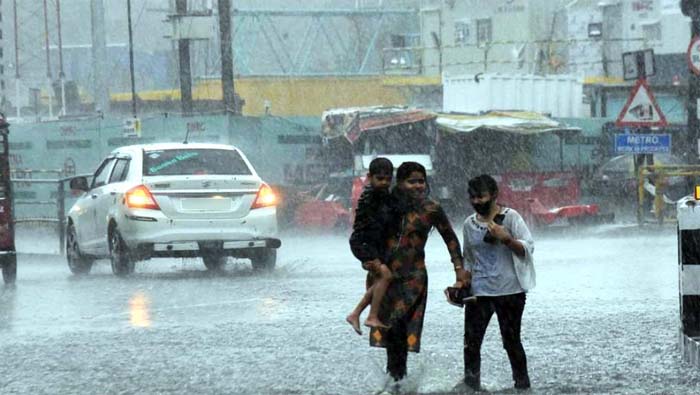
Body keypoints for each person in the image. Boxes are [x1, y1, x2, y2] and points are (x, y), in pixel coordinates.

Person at [370, 161, 469, 392]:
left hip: (414, 279)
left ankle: (397, 381)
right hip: (385, 277)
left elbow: (451, 239)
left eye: (421, 181)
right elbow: (364, 232)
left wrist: (459, 270)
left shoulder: (431, 208)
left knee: (399, 327)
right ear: (400, 183)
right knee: (391, 331)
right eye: (411, 181)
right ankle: (396, 379)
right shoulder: (387, 204)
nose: (417, 186)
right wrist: (367, 258)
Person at [461, 174, 536, 391]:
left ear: (494, 195)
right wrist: (461, 282)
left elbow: (528, 249)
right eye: (472, 197)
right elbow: (468, 257)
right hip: (479, 292)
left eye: (481, 197)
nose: (477, 202)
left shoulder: (511, 218)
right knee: (471, 344)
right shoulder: (469, 223)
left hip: (510, 291)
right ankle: (471, 386)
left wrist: (506, 239)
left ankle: (522, 386)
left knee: (511, 341)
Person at [346, 157, 395, 334]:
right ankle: (371, 316)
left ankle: (356, 313)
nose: (384, 183)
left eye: (388, 179)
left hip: (368, 244)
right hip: (363, 243)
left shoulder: (382, 196)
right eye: (379, 179)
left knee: (381, 279)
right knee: (386, 275)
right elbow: (372, 229)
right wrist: (370, 256)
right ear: (369, 177)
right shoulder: (371, 197)